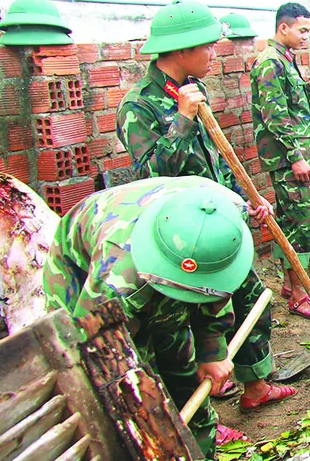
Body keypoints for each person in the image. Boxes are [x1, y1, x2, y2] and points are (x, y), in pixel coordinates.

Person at [117, 1, 294, 439]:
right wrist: (181, 120)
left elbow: (212, 165)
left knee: (253, 297)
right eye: (208, 47)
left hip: (213, 224)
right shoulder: (139, 106)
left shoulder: (193, 89)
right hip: (176, 240)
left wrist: (241, 203)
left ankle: (255, 384)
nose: (215, 55)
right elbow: (149, 175)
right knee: (183, 328)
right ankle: (202, 426)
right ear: (180, 50)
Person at [43, 176, 255, 458]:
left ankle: (200, 449)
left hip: (168, 249)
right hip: (79, 266)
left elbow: (216, 289)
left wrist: (212, 351)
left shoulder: (228, 221)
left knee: (182, 370)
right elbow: (102, 355)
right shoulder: (116, 283)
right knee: (123, 394)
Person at [250, 2, 310, 321]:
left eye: (309, 32)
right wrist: (296, 158)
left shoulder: (286, 59)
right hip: (288, 160)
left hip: (296, 156)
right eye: (302, 31)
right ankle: (299, 295)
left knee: (291, 222)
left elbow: (292, 104)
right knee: (303, 224)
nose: (306, 38)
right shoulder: (270, 62)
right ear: (283, 28)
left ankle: (293, 284)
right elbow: (275, 116)